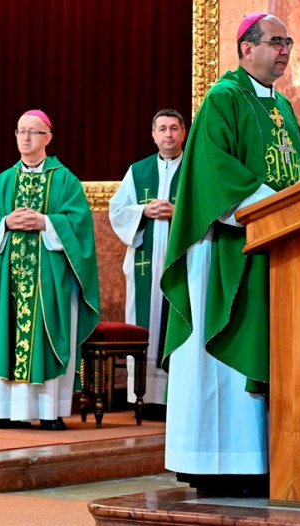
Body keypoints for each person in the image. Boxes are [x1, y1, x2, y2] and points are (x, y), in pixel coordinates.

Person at [160, 13, 300, 494]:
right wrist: (277, 205)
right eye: (276, 41)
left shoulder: (283, 107)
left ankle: (263, 460)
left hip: (277, 247)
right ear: (247, 49)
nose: (285, 50)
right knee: (222, 366)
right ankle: (217, 464)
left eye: (288, 42)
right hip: (229, 250)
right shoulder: (223, 98)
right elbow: (216, 171)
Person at [0, 109, 100, 431]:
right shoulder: (3, 181)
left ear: (48, 138)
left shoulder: (65, 180)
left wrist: (47, 222)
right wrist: (4, 222)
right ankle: (7, 411)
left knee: (47, 336)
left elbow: (80, 224)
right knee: (9, 336)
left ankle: (50, 412)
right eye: (21, 131)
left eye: (33, 132)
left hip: (50, 278)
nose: (26, 137)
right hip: (9, 279)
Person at [109, 109, 186, 416]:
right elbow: (117, 211)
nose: (168, 134)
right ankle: (143, 396)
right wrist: (143, 211)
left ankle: (176, 397)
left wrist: (178, 211)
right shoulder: (138, 171)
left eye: (174, 128)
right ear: (153, 135)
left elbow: (207, 210)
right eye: (162, 129)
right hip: (145, 264)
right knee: (144, 322)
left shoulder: (194, 168)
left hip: (181, 265)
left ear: (183, 133)